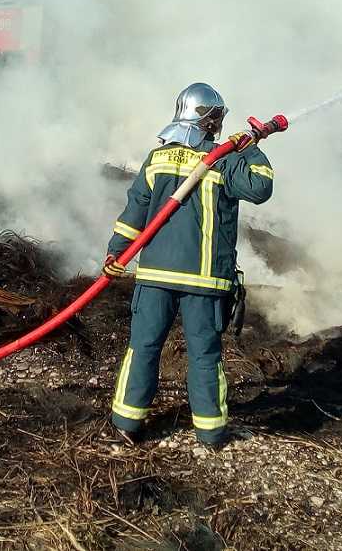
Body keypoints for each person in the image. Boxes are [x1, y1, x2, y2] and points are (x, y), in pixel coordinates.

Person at [104, 82, 274, 448]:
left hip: (154, 276)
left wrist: (115, 253)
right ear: (210, 120)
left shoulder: (157, 158)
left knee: (143, 348)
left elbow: (134, 212)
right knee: (205, 354)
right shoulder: (225, 159)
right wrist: (253, 149)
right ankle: (211, 434)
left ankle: (125, 425)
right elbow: (260, 188)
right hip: (204, 279)